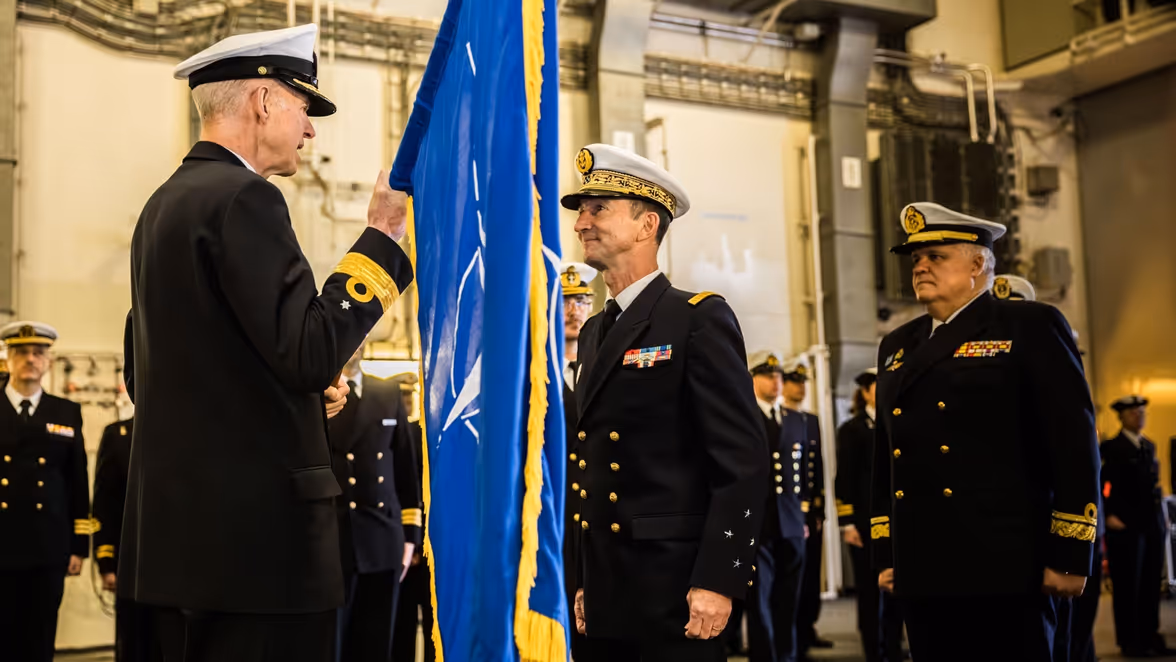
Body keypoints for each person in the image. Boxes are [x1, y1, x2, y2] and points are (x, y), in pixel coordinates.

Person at [120, 24, 414, 662]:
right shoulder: (245, 197)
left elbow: (151, 375)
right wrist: (383, 236)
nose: (310, 129)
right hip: (258, 553)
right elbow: (308, 353)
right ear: (263, 101)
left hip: (181, 550)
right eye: (304, 107)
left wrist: (299, 396)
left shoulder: (162, 206)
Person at [565, 143, 768, 661]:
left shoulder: (696, 319)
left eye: (598, 209)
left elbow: (740, 464)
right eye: (581, 211)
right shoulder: (594, 332)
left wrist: (719, 579)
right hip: (606, 588)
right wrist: (583, 580)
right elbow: (589, 472)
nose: (581, 223)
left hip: (674, 590)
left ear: (646, 224)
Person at [871, 202, 1099, 661]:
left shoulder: (1029, 325)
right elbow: (888, 454)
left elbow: (1073, 444)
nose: (920, 267)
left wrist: (1071, 554)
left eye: (936, 256)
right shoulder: (898, 344)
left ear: (978, 264)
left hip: (1006, 563)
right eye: (915, 259)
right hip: (923, 562)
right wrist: (887, 553)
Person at [0, 321, 89, 662]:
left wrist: (79, 545)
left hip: (48, 545)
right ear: (8, 358)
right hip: (2, 544)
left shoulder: (66, 412)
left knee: (40, 638)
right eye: (21, 352)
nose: (30, 359)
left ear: (49, 361)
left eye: (38, 353)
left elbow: (76, 480)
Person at [330, 345, 422, 662]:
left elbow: (406, 471)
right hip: (331, 540)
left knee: (377, 645)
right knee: (333, 645)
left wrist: (411, 536)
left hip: (384, 538)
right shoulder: (314, 398)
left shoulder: (387, 393)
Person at [835, 368, 902, 662]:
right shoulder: (852, 429)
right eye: (877, 385)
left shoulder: (897, 423)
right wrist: (847, 523)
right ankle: (873, 650)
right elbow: (844, 479)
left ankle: (894, 647)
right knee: (869, 590)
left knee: (896, 588)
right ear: (865, 392)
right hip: (863, 521)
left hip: (896, 521)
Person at [744, 351, 807, 662]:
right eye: (768, 376)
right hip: (759, 522)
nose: (776, 382)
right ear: (753, 379)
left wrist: (806, 514)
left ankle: (788, 655)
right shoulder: (745, 418)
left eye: (779, 376)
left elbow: (806, 472)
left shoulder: (796, 420)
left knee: (789, 598)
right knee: (760, 600)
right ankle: (765, 656)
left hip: (792, 522)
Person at [1101, 395, 1169, 658]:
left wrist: (1160, 516)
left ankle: (1150, 636)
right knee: (1129, 586)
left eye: (1141, 413)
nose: (1139, 417)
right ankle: (1131, 642)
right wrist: (1107, 515)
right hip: (1125, 527)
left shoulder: (1147, 446)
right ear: (1122, 417)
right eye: (1133, 414)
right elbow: (1100, 485)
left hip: (1150, 526)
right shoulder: (1110, 448)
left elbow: (1152, 487)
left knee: (1151, 584)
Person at [561, 260, 597, 661]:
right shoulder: (537, 372)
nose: (575, 310)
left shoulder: (604, 367)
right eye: (567, 301)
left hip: (598, 509)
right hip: (555, 510)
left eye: (583, 300)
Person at [781, 360, 829, 658]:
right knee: (792, 576)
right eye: (794, 381)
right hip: (788, 509)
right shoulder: (780, 418)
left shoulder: (810, 420)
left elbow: (817, 466)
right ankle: (793, 632)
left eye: (803, 381)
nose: (800, 386)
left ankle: (807, 627)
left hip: (810, 509)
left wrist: (820, 509)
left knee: (811, 573)